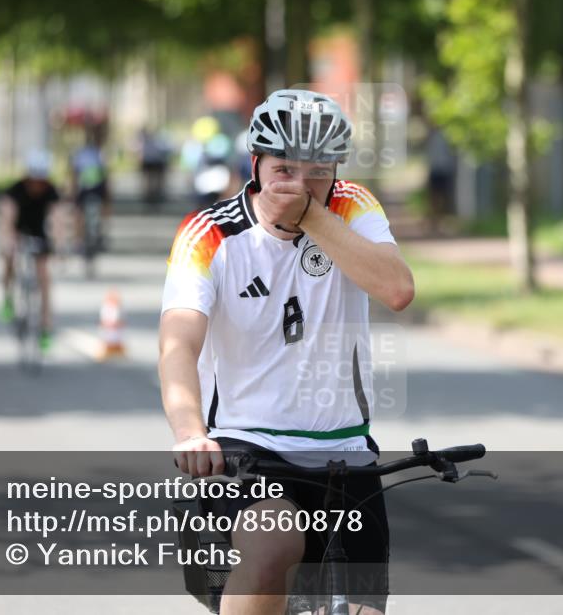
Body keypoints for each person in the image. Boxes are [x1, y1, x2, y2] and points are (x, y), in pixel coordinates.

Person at [159, 89, 415, 615]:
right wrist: (190, 431)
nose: (300, 185)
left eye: (318, 172)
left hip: (346, 450)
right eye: (284, 170)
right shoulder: (209, 233)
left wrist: (313, 217)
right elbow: (179, 342)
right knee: (273, 544)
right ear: (255, 165)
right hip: (248, 449)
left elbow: (397, 290)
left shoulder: (351, 206)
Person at [0, 149, 60, 352]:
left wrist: (58, 245)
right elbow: (7, 217)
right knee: (8, 257)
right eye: (34, 179)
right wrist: (9, 240)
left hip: (39, 232)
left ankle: (45, 327)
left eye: (41, 180)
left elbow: (57, 219)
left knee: (44, 278)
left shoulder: (51, 190)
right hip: (19, 230)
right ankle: (7, 296)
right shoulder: (15, 190)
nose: (37, 185)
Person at [70, 124, 110, 253]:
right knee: (79, 214)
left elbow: (105, 173)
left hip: (95, 187)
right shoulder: (83, 153)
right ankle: (79, 240)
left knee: (101, 210)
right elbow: (75, 173)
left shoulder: (99, 153)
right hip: (87, 187)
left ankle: (99, 235)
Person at [138, 127, 171, 205]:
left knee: (155, 180)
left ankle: (155, 195)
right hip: (150, 162)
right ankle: (150, 196)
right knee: (150, 180)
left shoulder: (155, 140)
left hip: (156, 162)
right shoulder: (146, 140)